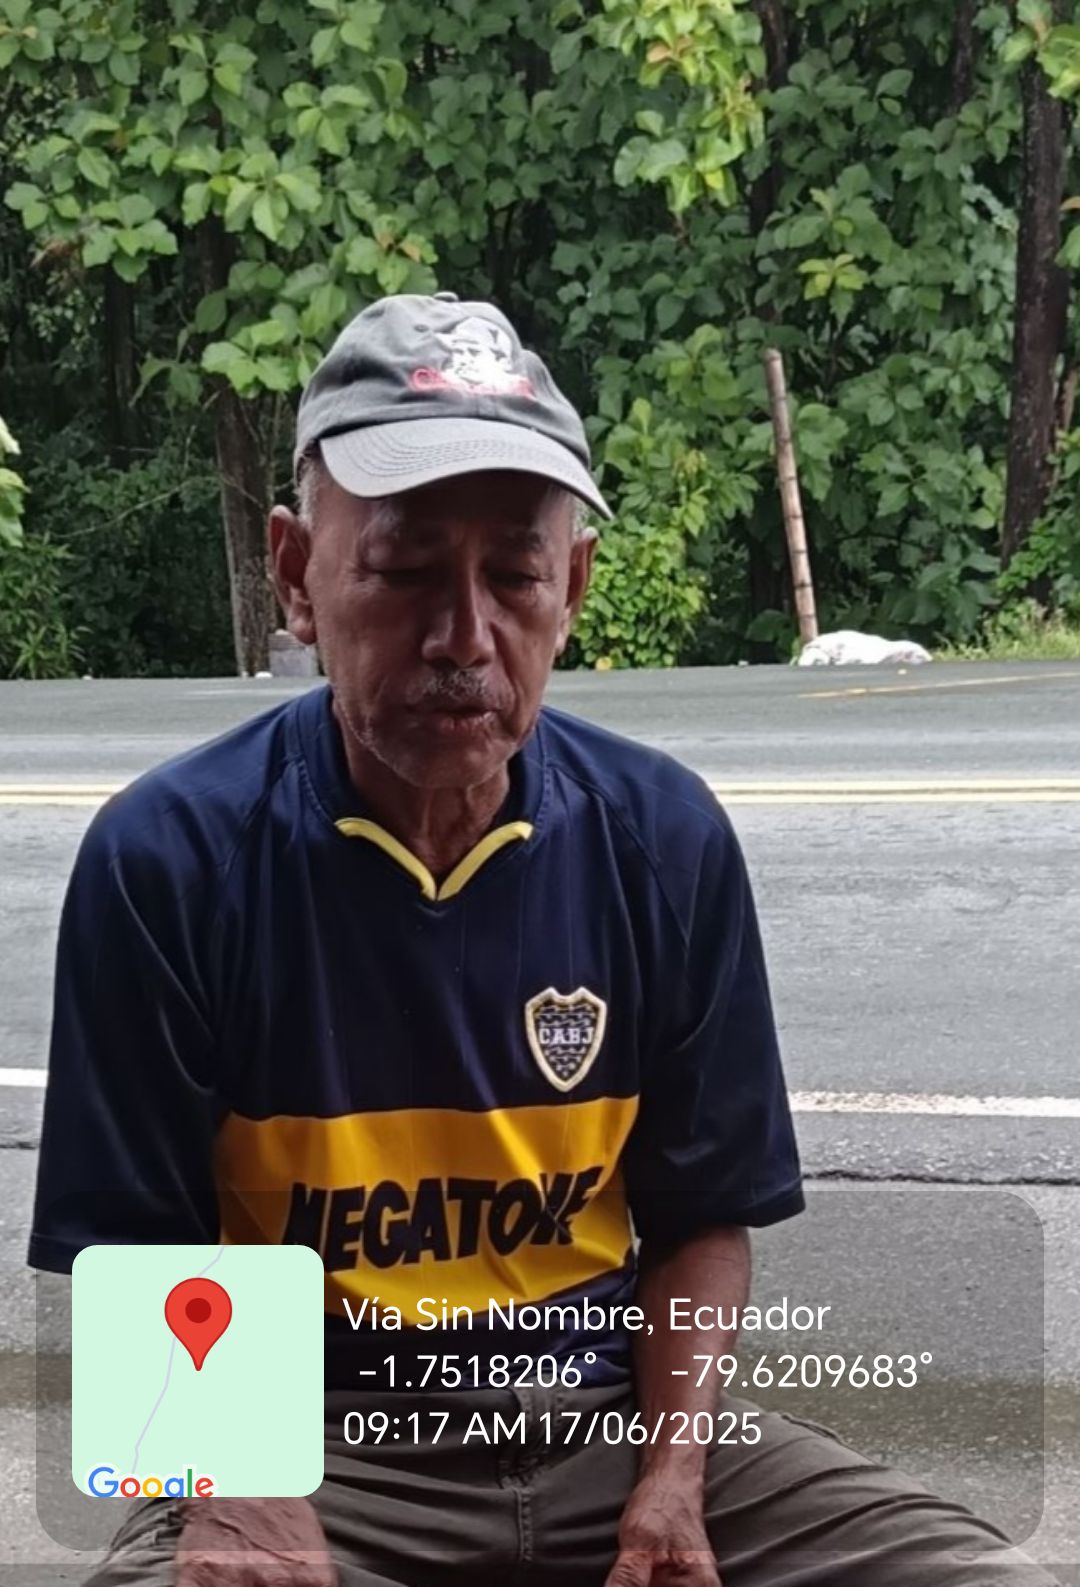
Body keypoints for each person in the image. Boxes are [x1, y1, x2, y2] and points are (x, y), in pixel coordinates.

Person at [29, 292, 1057, 1587]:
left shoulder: (663, 839)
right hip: (316, 1445)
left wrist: (673, 1483)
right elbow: (137, 1250)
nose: (464, 637)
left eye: (514, 576)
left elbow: (700, 1219)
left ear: (569, 588)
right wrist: (238, 1490)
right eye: (405, 570)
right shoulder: (169, 859)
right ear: (296, 577)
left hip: (610, 1426)